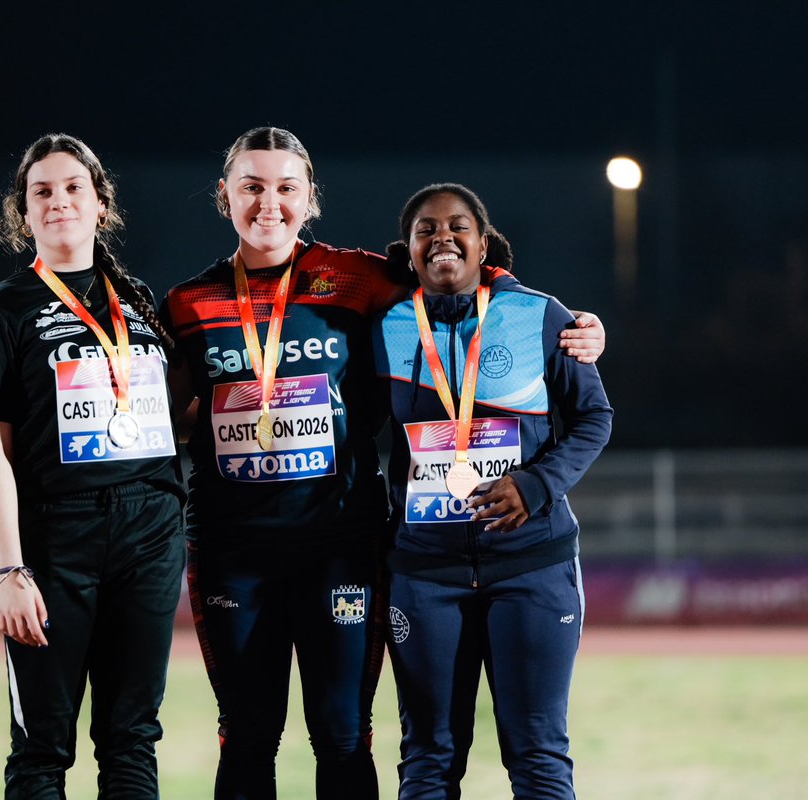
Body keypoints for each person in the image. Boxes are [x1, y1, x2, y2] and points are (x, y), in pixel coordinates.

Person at [159, 127, 606, 800]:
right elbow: (168, 411)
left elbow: (457, 276)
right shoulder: (186, 304)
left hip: (340, 541)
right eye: (251, 187)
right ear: (224, 196)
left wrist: (574, 325)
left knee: (344, 735)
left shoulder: (362, 278)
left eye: (286, 187)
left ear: (311, 198)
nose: (268, 203)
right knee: (248, 736)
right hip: (234, 546)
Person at [0, 133, 185, 799]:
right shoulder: (0, 311)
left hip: (149, 536)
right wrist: (9, 570)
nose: (58, 202)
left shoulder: (138, 300)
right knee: (40, 751)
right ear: (22, 214)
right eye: (42, 192)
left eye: (72, 188)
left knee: (132, 743)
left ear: (101, 205)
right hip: (59, 543)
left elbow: (169, 421)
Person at [372, 183, 613, 799]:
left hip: (531, 566)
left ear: (483, 245)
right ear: (410, 249)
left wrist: (535, 486)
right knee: (427, 758)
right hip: (425, 573)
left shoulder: (541, 314)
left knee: (536, 756)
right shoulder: (388, 326)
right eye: (426, 229)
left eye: (458, 227)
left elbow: (594, 418)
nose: (442, 238)